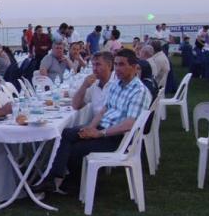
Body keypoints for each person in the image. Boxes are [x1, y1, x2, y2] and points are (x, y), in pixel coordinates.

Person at [33, 49, 151, 194]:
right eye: (116, 64)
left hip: (118, 137)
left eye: (122, 65)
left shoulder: (139, 91)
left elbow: (130, 124)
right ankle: (53, 178)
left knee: (75, 149)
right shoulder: (117, 85)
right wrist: (89, 128)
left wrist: (99, 133)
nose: (117, 68)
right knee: (68, 133)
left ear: (134, 67)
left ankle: (73, 183)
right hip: (103, 128)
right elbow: (103, 111)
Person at [72, 51, 114, 116]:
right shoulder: (93, 83)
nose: (94, 69)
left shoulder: (118, 83)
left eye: (98, 64)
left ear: (109, 65)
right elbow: (75, 105)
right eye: (93, 65)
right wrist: (84, 86)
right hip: (96, 124)